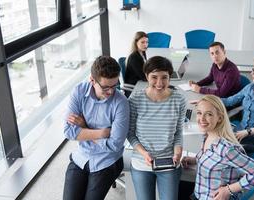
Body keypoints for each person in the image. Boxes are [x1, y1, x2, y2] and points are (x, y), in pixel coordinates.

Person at [63, 56, 130, 200]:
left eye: (115, 85)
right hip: (82, 155)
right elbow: (68, 131)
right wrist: (102, 133)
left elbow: (115, 145)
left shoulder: (121, 103)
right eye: (106, 87)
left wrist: (84, 127)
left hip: (107, 161)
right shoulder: (79, 91)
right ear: (92, 80)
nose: (111, 92)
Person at [181, 95, 254, 200]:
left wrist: (228, 190)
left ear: (220, 118)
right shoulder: (207, 136)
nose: (202, 118)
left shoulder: (225, 149)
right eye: (199, 113)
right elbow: (214, 161)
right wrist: (194, 160)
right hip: (201, 193)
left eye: (209, 114)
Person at [127, 56, 186, 200]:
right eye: (154, 77)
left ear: (169, 77)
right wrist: (144, 153)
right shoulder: (135, 100)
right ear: (146, 76)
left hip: (169, 162)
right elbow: (130, 134)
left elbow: (178, 132)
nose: (159, 83)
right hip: (141, 162)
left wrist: (178, 152)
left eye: (164, 77)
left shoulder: (179, 99)